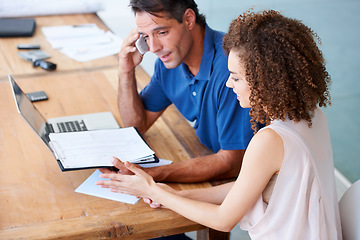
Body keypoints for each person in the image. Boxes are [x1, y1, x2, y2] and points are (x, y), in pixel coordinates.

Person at [97, 10, 342, 239]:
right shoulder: (312, 117)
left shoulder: (269, 140)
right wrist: (173, 195)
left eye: (235, 77)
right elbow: (246, 187)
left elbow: (223, 220)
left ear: (265, 81)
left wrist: (153, 190)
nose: (228, 84)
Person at [104, 0, 254, 183]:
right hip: (210, 161)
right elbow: (136, 125)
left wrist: (150, 174)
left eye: (161, 32)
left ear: (189, 19)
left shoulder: (231, 68)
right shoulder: (168, 65)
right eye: (145, 37)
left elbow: (233, 162)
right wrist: (126, 70)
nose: (153, 48)